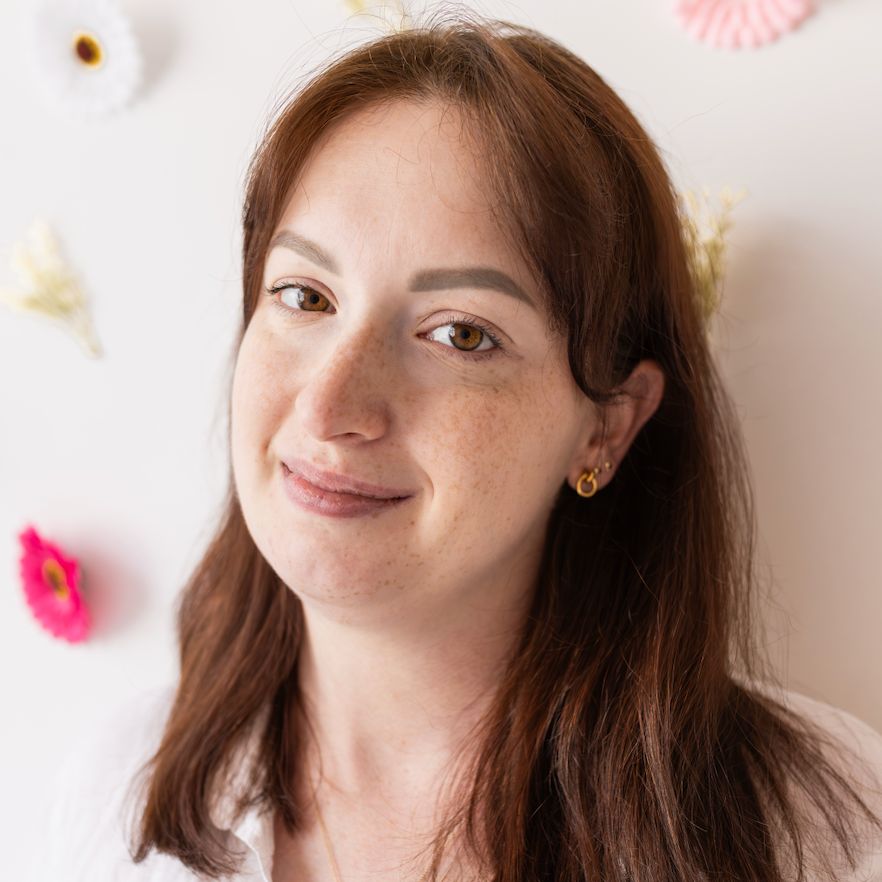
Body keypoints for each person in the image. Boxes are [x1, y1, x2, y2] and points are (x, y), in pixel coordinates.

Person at [34, 11, 882, 882]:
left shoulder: (830, 836)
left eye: (461, 335)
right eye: (305, 295)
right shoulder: (112, 795)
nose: (328, 407)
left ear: (608, 425)